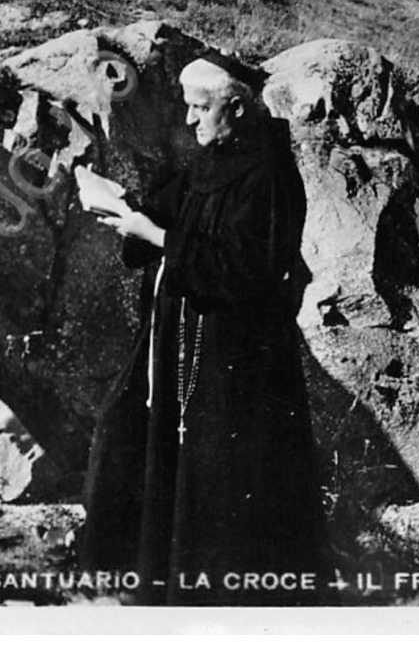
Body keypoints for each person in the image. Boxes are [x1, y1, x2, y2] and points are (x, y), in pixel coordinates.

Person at [79, 50, 328, 605]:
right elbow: (169, 209)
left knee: (222, 481)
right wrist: (121, 207)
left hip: (236, 363)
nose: (189, 120)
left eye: (199, 108)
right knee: (130, 438)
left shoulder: (268, 175)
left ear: (235, 109)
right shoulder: (209, 160)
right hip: (181, 349)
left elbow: (245, 271)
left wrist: (156, 235)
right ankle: (153, 581)